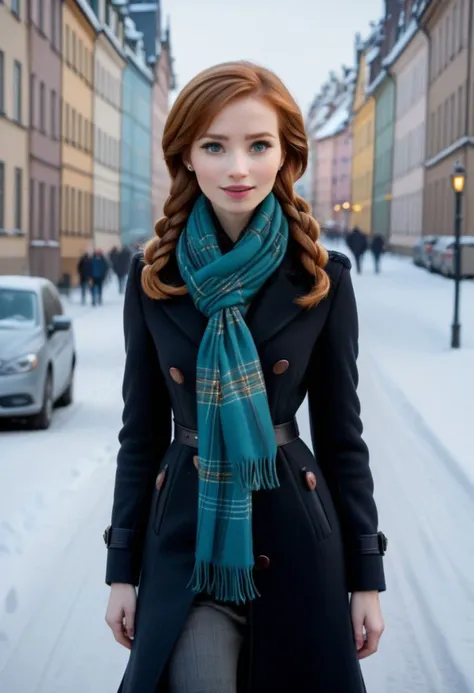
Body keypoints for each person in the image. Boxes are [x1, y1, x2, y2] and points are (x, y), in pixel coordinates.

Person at [104, 61, 387, 693]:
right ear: (187, 156)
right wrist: (121, 567)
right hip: (186, 541)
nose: (238, 168)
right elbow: (139, 433)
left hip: (298, 541)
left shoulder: (321, 278)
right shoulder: (153, 278)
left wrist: (365, 575)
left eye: (258, 145)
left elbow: (344, 440)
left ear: (286, 155)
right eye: (215, 145)